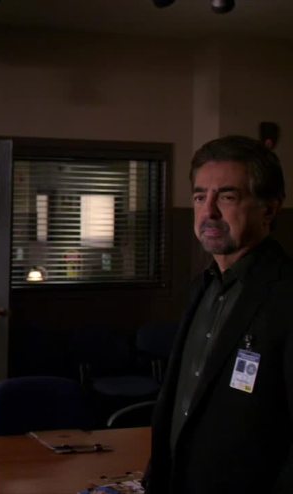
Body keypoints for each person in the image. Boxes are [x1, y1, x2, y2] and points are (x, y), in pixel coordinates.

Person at [145, 135, 293, 494]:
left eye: (227, 197)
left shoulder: (285, 294)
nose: (208, 212)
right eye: (200, 197)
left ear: (269, 209)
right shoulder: (203, 287)